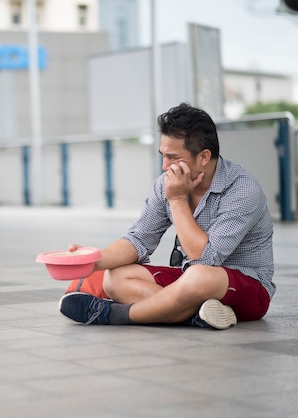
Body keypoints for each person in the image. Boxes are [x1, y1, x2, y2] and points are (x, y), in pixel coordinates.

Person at [58, 103, 275, 330]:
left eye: (173, 157)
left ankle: (114, 314)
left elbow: (206, 259)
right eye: (162, 156)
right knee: (115, 277)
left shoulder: (242, 190)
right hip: (190, 281)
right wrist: (90, 261)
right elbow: (138, 239)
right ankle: (196, 315)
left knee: (200, 276)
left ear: (203, 157)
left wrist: (178, 200)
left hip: (248, 289)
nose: (164, 166)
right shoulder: (167, 184)